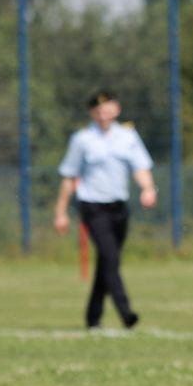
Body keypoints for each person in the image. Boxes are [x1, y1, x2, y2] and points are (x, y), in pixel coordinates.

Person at [52, 91, 156, 328]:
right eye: (98, 111)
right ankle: (126, 313)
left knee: (108, 262)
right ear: (92, 113)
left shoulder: (128, 136)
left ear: (116, 109)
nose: (103, 114)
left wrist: (148, 189)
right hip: (92, 207)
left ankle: (93, 317)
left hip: (119, 207)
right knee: (110, 257)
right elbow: (69, 177)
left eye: (107, 109)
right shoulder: (82, 139)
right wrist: (60, 212)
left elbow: (140, 167)